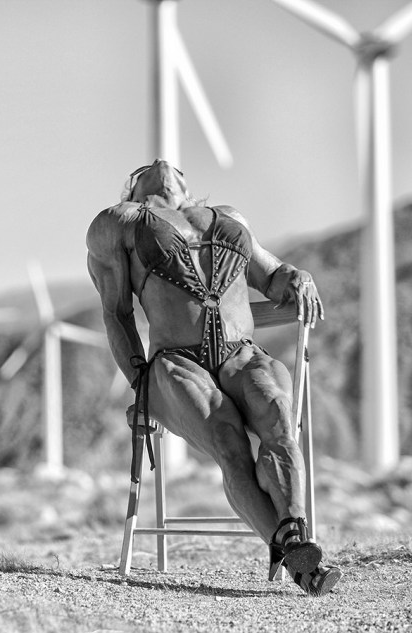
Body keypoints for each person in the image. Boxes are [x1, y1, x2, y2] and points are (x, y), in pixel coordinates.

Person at [86, 159, 341, 596]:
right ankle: (296, 552)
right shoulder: (119, 222)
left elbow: (271, 276)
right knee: (228, 440)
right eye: (147, 167)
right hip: (176, 363)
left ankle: (294, 538)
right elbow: (116, 313)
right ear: (132, 188)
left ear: (188, 185)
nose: (162, 162)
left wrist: (298, 276)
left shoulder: (228, 217)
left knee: (278, 415)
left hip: (242, 354)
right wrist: (139, 382)